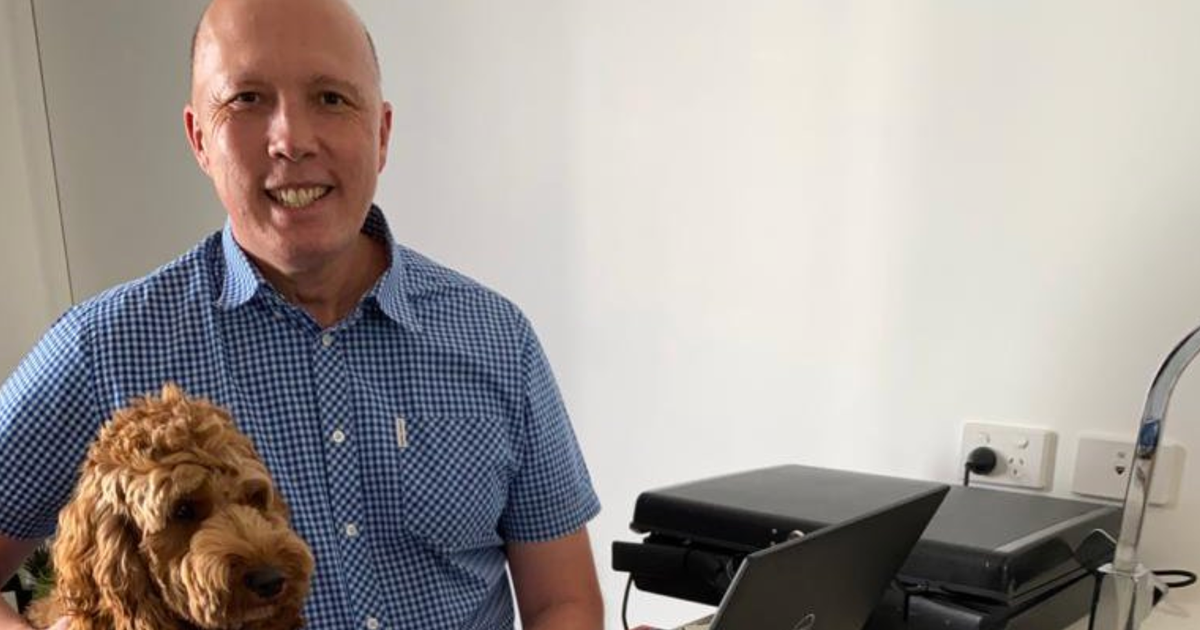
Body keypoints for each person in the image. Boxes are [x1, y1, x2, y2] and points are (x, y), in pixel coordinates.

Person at [0, 0, 603, 629]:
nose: (291, 140)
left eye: (331, 98)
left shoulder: (497, 338)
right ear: (200, 138)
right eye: (247, 99)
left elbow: (561, 601)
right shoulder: (100, 349)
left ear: (382, 133)